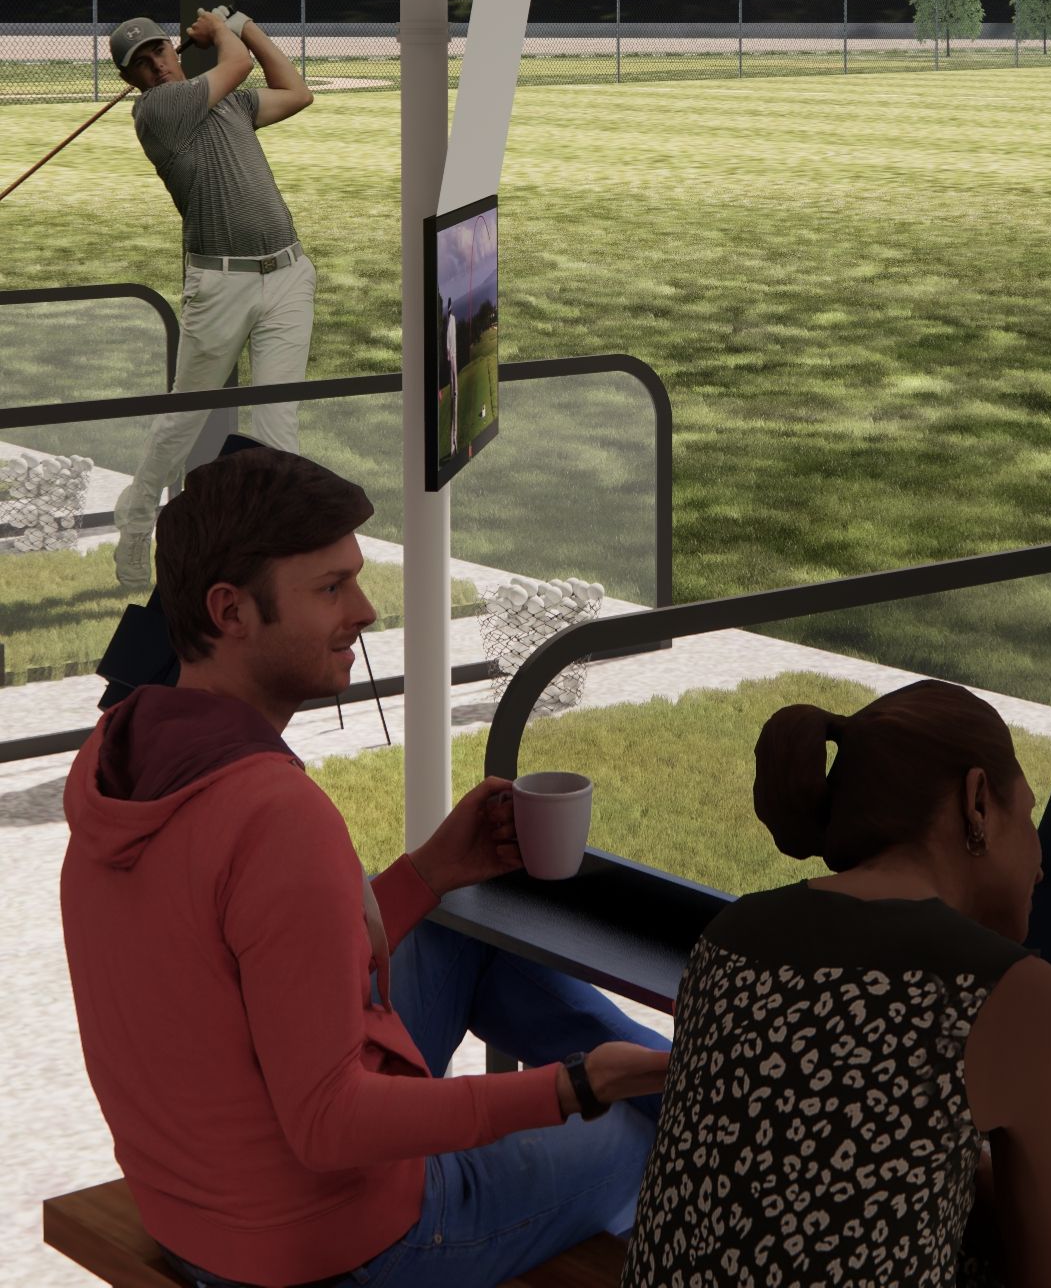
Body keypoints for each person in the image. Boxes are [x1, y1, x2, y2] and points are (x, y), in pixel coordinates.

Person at [61, 446, 671, 1288]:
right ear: (230, 610)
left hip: (198, 1199)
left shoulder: (123, 753)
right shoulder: (273, 816)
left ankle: (693, 1078)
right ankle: (716, 1101)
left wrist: (427, 873)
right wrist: (568, 1090)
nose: (367, 609)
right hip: (328, 1248)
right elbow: (328, 1124)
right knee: (644, 1137)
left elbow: (242, 962)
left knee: (466, 937)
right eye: (331, 588)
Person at [621, 681, 1051, 1288]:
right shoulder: (1017, 996)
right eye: (1027, 815)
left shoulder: (732, 933)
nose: (1041, 859)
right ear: (977, 802)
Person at [108, 8, 317, 590]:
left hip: (288, 272)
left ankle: (281, 554)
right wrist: (222, 30)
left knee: (280, 421)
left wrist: (247, 24)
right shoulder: (156, 111)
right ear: (133, 80)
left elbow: (296, 92)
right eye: (142, 64)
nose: (157, 65)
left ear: (175, 52)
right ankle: (137, 514)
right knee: (184, 416)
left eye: (161, 51)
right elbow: (240, 64)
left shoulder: (226, 102)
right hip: (220, 283)